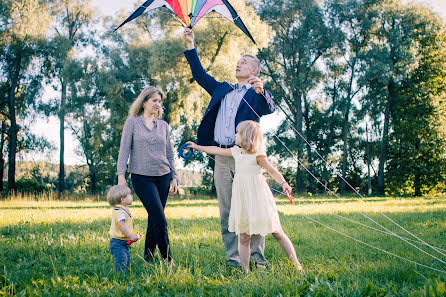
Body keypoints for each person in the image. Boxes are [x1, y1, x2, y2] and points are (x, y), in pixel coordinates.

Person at [183, 28, 275, 268]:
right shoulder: (223, 89)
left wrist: (262, 91)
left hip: (246, 159)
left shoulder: (256, 94)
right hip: (222, 156)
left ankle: (257, 259)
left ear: (254, 70)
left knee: (252, 210)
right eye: (238, 62)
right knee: (227, 211)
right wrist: (191, 45)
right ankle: (233, 258)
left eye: (244, 62)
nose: (238, 64)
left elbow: (269, 108)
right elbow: (200, 75)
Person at [186, 120, 304, 273]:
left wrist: (284, 183)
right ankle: (245, 271)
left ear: (246, 136)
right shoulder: (236, 152)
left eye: (238, 133)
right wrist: (197, 147)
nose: (235, 135)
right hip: (243, 200)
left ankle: (297, 265)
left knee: (276, 232)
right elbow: (215, 150)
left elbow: (272, 170)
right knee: (243, 236)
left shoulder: (258, 155)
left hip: (259, 198)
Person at [117, 86, 178, 264]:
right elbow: (124, 151)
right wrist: (121, 176)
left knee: (154, 217)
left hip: (163, 176)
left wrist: (174, 176)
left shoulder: (164, 126)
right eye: (154, 101)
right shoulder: (132, 122)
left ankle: (148, 257)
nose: (158, 104)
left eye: (160, 101)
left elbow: (169, 153)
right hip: (141, 177)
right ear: (144, 102)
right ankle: (167, 259)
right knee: (159, 217)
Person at [107, 185, 140, 272]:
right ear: (123, 200)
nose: (132, 196)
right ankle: (120, 276)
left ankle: (125, 273)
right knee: (122, 260)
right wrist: (130, 236)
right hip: (118, 242)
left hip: (122, 241)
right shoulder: (121, 212)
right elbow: (121, 226)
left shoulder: (121, 209)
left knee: (126, 259)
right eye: (129, 195)